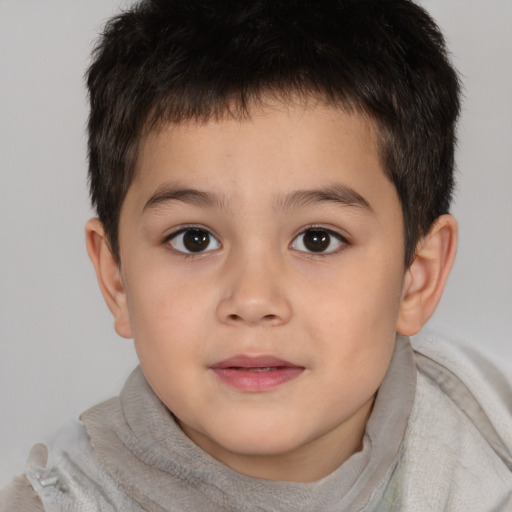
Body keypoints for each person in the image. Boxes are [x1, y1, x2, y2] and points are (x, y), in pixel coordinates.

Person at [1, 0, 511, 510]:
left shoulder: (491, 460)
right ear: (117, 279)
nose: (252, 299)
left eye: (317, 239)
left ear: (415, 279)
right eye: (194, 239)